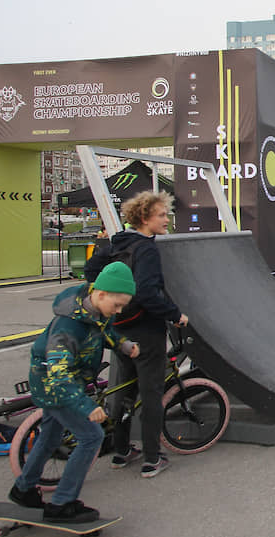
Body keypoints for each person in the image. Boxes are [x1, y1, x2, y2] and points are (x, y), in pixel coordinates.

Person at [8, 262, 140, 523]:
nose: (119, 311)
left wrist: (124, 346)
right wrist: (87, 407)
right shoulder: (68, 327)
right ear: (100, 294)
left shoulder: (96, 312)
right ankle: (62, 503)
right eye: (117, 305)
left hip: (66, 385)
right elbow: (59, 375)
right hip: (56, 387)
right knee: (92, 436)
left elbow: (105, 332)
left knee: (49, 437)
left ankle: (23, 489)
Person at [84, 191, 188, 478]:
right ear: (145, 218)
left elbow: (91, 270)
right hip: (146, 329)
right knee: (151, 392)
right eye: (161, 215)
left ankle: (121, 451)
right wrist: (175, 314)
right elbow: (147, 293)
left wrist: (114, 301)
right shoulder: (146, 249)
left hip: (120, 326)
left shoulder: (117, 243)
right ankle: (152, 458)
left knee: (125, 389)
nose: (167, 220)